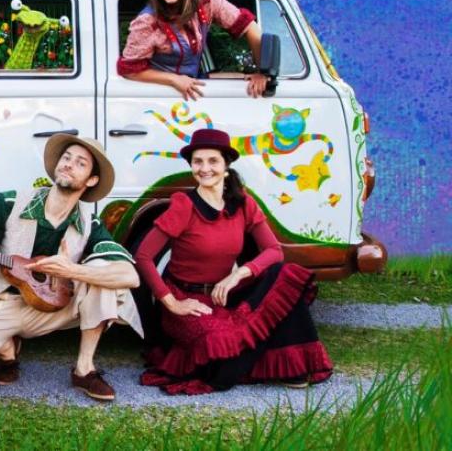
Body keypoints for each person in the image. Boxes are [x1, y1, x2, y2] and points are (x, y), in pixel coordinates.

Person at [0, 135, 142, 403]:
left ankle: (84, 369)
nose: (68, 164)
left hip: (54, 307)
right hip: (2, 304)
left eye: (80, 163)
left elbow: (130, 276)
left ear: (91, 180)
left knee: (105, 273)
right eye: (66, 158)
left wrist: (71, 271)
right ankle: (7, 348)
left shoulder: (90, 222)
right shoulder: (9, 202)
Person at [133, 128, 332, 395]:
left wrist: (238, 274)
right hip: (189, 300)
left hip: (224, 294)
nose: (205, 168)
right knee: (219, 354)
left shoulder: (243, 203)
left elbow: (274, 251)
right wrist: (172, 303)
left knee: (283, 276)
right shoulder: (183, 205)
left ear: (226, 166)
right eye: (198, 161)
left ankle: (294, 365)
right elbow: (143, 256)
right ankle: (261, 361)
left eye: (213, 161)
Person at [117, 0, 267, 101]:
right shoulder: (147, 21)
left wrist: (262, 72)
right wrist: (173, 79)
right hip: (159, 94)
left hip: (193, 84)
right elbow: (129, 70)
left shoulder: (207, 1)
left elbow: (249, 26)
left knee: (240, 78)